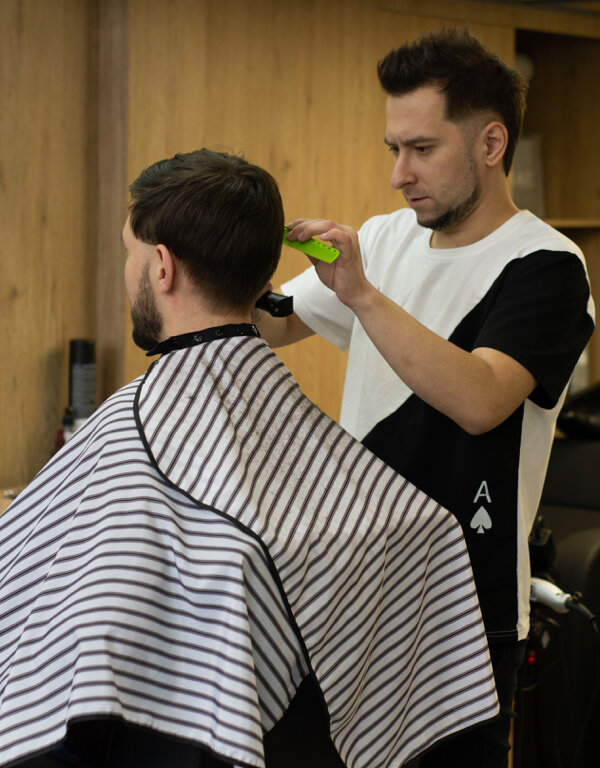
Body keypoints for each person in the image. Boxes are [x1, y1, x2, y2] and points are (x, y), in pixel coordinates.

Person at [0, 149, 498, 768]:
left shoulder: (140, 425)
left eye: (131, 253)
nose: (129, 271)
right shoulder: (380, 502)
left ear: (162, 267)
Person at [257, 28, 595, 768]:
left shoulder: (547, 266)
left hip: (462, 615)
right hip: (352, 593)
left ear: (491, 143)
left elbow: (481, 399)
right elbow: (273, 324)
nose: (398, 175)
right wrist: (222, 260)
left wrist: (363, 296)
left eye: (421, 148)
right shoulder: (385, 240)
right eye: (393, 149)